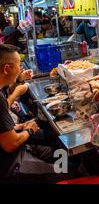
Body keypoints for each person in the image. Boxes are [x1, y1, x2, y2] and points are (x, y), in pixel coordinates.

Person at [0, 44, 81, 183]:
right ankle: (70, 172)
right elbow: (10, 144)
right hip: (11, 166)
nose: (21, 69)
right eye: (19, 65)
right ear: (7, 68)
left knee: (56, 144)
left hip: (16, 148)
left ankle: (68, 163)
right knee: (68, 171)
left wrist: (17, 128)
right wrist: (30, 130)